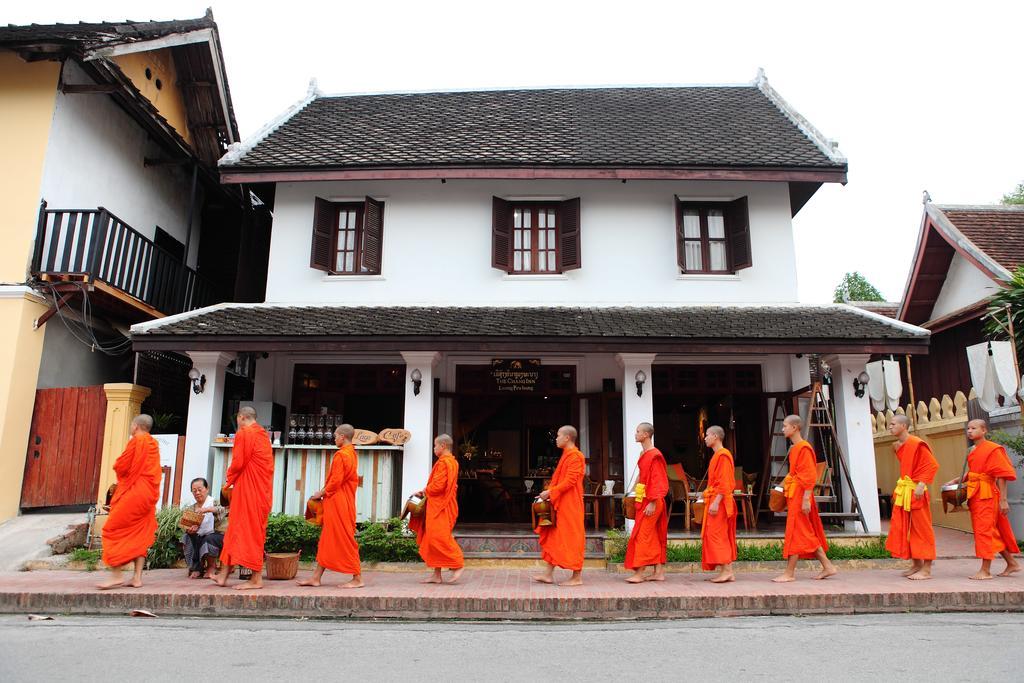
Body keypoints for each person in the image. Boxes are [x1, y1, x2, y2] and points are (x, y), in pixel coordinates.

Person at [944, 419, 1021, 580]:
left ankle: (985, 570)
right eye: (968, 428)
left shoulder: (993, 449)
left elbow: (1001, 475)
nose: (970, 431)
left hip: (988, 494)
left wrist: (1004, 500)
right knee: (990, 530)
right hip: (975, 493)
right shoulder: (972, 450)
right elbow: (974, 472)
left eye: (974, 428)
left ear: (984, 430)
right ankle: (1012, 563)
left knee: (984, 531)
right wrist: (958, 480)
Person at [97, 414, 163, 590]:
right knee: (139, 532)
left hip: (135, 492)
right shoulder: (153, 444)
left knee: (113, 529)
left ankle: (117, 575)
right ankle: (137, 578)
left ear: (135, 426)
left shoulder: (137, 441)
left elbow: (122, 466)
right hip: (148, 495)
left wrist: (119, 469)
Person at [213, 406, 274, 590]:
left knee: (248, 532)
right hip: (259, 490)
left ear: (241, 417)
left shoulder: (244, 433)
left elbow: (238, 462)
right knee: (235, 531)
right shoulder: (263, 435)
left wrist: (228, 479)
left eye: (237, 419)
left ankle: (256, 578)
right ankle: (223, 575)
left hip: (249, 490)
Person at [772, 415, 837, 583]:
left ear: (795, 428)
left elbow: (809, 476)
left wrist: (807, 498)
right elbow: (793, 473)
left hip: (801, 495)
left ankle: (790, 573)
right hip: (795, 494)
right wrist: (780, 487)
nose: (783, 428)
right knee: (801, 531)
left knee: (798, 532)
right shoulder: (795, 449)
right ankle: (827, 566)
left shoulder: (804, 447)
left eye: (785, 426)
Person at [298, 424, 363, 588]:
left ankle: (357, 578)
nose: (334, 438)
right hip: (341, 501)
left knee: (345, 539)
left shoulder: (342, 455)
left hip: (338, 501)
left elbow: (335, 482)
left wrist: (320, 493)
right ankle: (316, 578)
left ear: (342, 436)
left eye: (335, 436)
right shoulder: (352, 454)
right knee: (328, 539)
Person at [884, 415, 939, 580]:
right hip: (906, 491)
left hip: (916, 491)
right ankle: (916, 564)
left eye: (893, 424)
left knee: (922, 529)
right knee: (907, 529)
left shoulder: (916, 443)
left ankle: (927, 568)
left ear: (903, 425)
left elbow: (932, 465)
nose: (890, 427)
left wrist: (922, 485)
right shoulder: (898, 445)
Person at [533, 425, 586, 586]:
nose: (556, 439)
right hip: (560, 502)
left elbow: (570, 481)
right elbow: (560, 479)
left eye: (558, 436)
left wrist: (550, 492)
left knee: (572, 537)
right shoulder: (566, 455)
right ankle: (548, 574)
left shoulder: (576, 456)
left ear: (567, 438)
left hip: (570, 504)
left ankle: (577, 577)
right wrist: (550, 493)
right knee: (555, 536)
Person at [409, 434, 465, 584]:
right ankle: (436, 574)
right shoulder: (450, 462)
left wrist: (424, 491)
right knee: (431, 538)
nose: (434, 449)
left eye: (435, 446)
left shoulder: (445, 463)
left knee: (438, 536)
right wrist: (425, 491)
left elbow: (438, 486)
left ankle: (457, 563)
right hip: (439, 504)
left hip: (441, 506)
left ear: (443, 446)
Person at [624, 422, 668, 583]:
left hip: (652, 501)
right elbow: (642, 476)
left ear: (646, 435)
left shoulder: (654, 455)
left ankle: (640, 573)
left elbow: (658, 480)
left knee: (642, 535)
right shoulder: (644, 454)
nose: (635, 434)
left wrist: (653, 502)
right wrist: (632, 492)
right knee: (653, 536)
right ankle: (659, 572)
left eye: (637, 432)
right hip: (644, 499)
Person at [700, 425, 737, 583]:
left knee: (717, 535)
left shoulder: (723, 455)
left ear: (715, 436)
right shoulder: (717, 456)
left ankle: (727, 570)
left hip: (720, 503)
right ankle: (726, 570)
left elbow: (725, 482)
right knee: (714, 534)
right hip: (715, 499)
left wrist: (716, 502)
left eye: (707, 435)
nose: (705, 437)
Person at [181, 477, 224, 579]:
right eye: (194, 491)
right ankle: (197, 567)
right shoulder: (191, 508)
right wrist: (190, 530)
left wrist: (207, 509)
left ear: (207, 489)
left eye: (200, 489)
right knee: (187, 537)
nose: (197, 493)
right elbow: (186, 526)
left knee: (208, 538)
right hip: (200, 536)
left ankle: (211, 566)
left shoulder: (214, 502)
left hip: (217, 535)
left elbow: (222, 510)